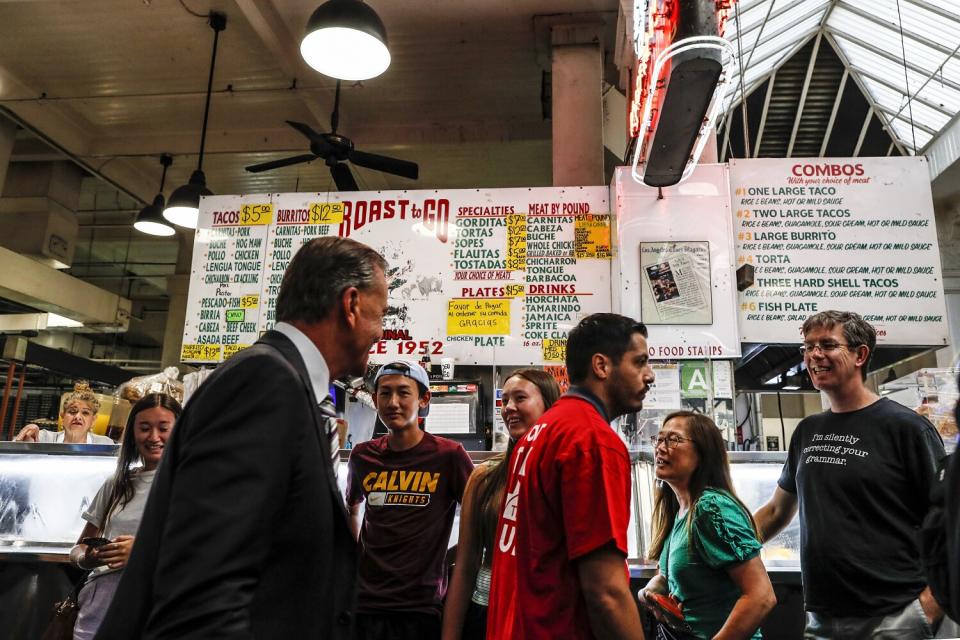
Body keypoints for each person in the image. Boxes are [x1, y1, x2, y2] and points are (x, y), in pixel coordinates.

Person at [95, 236, 389, 640]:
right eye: (382, 314)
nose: (381, 331)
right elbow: (204, 594)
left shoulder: (283, 381)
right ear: (351, 305)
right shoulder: (266, 382)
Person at [754, 310, 948, 639]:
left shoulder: (905, 428)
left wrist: (929, 605)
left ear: (860, 355)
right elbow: (776, 511)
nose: (814, 355)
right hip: (822, 617)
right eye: (808, 346)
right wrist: (722, 550)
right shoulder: (808, 431)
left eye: (828, 345)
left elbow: (949, 520)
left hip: (895, 614)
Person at [486, 313, 655, 640]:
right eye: (640, 362)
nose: (649, 376)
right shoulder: (591, 440)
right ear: (602, 366)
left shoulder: (541, 431)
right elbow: (606, 592)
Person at [346, 360, 474, 640]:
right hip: (366, 603)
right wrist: (356, 558)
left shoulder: (449, 456)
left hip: (422, 606)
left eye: (404, 392)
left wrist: (449, 559)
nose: (393, 402)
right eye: (384, 392)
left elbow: (480, 517)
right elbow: (352, 509)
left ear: (424, 398)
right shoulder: (362, 456)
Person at [442, 368, 562, 640]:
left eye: (520, 398)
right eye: (504, 400)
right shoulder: (486, 477)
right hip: (486, 611)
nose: (509, 407)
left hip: (543, 616)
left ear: (549, 405)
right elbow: (466, 565)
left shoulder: (562, 474)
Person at [638, 411, 775, 639]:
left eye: (673, 440)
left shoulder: (711, 508)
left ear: (703, 453)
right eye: (659, 439)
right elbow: (668, 575)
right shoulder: (681, 511)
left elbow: (761, 596)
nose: (661, 447)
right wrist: (650, 593)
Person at [71, 393, 182, 640]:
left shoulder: (192, 484)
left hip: (158, 604)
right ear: (133, 433)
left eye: (164, 428)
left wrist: (142, 552)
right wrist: (90, 557)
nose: (154, 437)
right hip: (99, 606)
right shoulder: (117, 485)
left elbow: (204, 552)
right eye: (144, 428)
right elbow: (78, 549)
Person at [14, 381, 113, 444]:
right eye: (72, 411)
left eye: (85, 413)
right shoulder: (44, 438)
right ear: (62, 417)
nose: (78, 417)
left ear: (93, 420)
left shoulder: (104, 443)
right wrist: (25, 439)